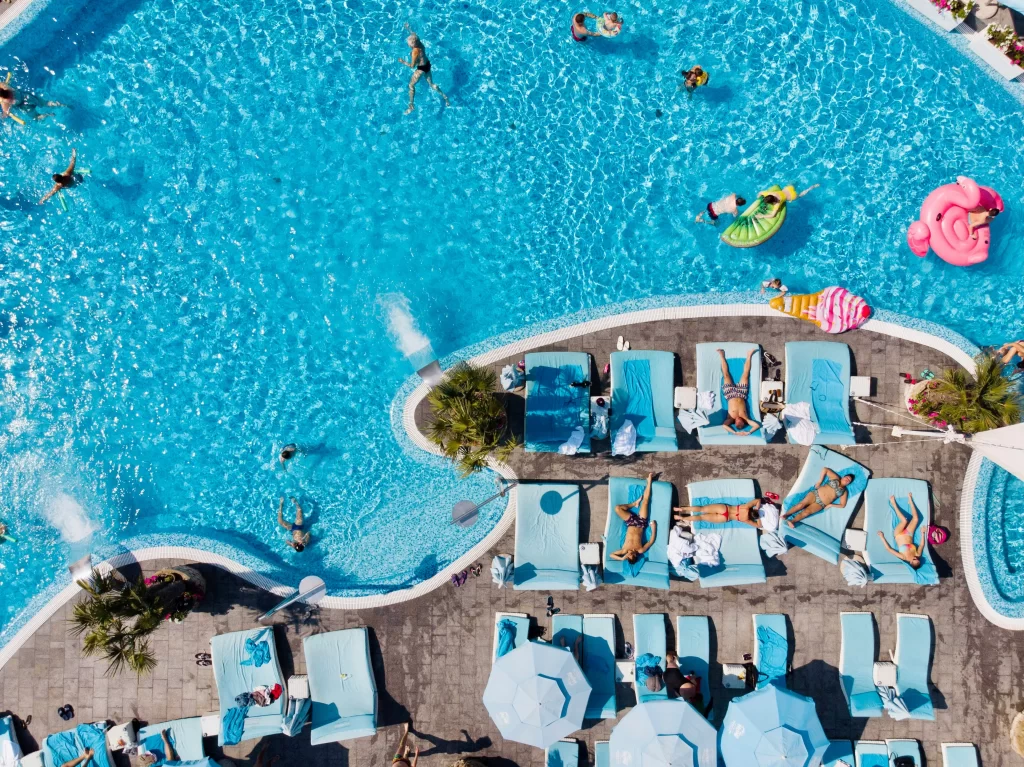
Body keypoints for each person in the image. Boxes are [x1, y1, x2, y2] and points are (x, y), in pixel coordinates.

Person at [398, 25, 450, 115]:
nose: (408, 44)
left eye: (409, 43)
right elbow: (414, 34)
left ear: (413, 44)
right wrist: (408, 28)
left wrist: (403, 62)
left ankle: (411, 105)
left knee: (411, 85)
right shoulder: (420, 43)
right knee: (431, 84)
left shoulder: (415, 52)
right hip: (427, 65)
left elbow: (412, 66)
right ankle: (445, 97)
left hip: (421, 69)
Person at [609, 473, 658, 564]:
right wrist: (653, 528)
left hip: (630, 523)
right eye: (632, 554)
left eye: (629, 555)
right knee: (645, 502)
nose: (630, 553)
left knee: (617, 508)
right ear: (635, 556)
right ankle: (649, 481)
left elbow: (611, 555)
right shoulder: (640, 550)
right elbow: (651, 541)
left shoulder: (624, 551)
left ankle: (634, 504)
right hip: (641, 523)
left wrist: (622, 558)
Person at [781, 468, 855, 527]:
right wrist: (820, 481)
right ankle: (786, 515)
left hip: (821, 504)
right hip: (815, 494)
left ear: (849, 483)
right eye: (847, 477)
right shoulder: (835, 478)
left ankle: (792, 521)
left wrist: (830, 505)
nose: (847, 480)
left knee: (806, 512)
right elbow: (825, 469)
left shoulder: (844, 492)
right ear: (843, 477)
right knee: (801, 505)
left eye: (849, 481)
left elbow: (842, 505)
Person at [717, 348, 761, 435]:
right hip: (741, 394)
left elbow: (724, 426)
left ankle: (721, 356)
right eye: (741, 420)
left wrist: (734, 433)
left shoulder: (730, 418)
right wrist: (748, 432)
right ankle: (749, 355)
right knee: (745, 375)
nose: (738, 418)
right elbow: (756, 426)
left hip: (729, 394)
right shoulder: (746, 418)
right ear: (744, 422)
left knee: (726, 375)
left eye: (737, 421)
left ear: (735, 423)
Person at [876, 494, 925, 569]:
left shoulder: (903, 557)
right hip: (909, 534)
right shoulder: (918, 554)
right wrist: (922, 533)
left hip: (898, 534)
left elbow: (889, 549)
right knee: (916, 519)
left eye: (914, 559)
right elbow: (921, 545)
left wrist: (882, 537)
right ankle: (910, 501)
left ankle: (894, 504)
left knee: (904, 521)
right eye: (918, 559)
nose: (916, 557)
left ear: (911, 562)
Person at [673, 497, 763, 528]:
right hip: (725, 518)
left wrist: (757, 508)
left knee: (702, 509)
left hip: (724, 509)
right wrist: (759, 517)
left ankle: (682, 509)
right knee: (701, 518)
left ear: (753, 510)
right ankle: (681, 518)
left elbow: (758, 500)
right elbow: (759, 525)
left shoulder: (746, 507)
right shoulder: (746, 519)